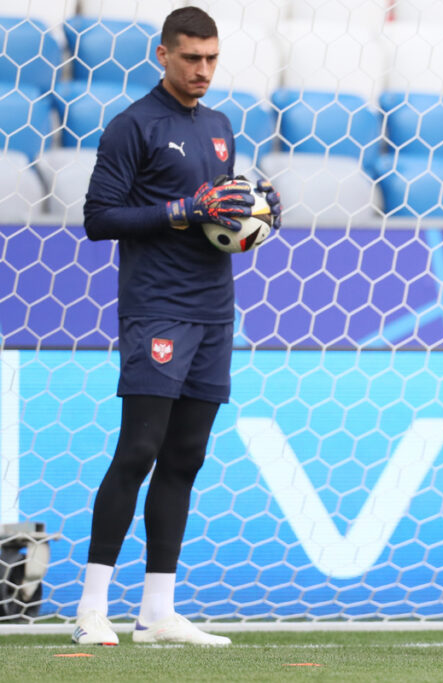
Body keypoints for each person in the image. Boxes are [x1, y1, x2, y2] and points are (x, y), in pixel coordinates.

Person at [71, 7, 281, 646]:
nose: (203, 71)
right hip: (156, 306)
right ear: (162, 55)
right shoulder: (132, 126)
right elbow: (99, 218)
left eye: (212, 59)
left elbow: (221, 223)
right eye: (191, 58)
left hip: (215, 308)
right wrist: (182, 208)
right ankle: (90, 610)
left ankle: (156, 612)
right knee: (139, 450)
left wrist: (257, 217)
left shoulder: (219, 127)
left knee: (186, 456)